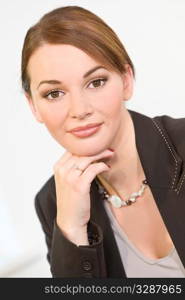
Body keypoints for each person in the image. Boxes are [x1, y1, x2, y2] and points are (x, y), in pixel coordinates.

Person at [21, 6, 185, 278]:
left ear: (126, 80)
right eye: (54, 93)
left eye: (95, 82)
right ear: (34, 106)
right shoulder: (52, 203)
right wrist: (72, 232)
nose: (79, 109)